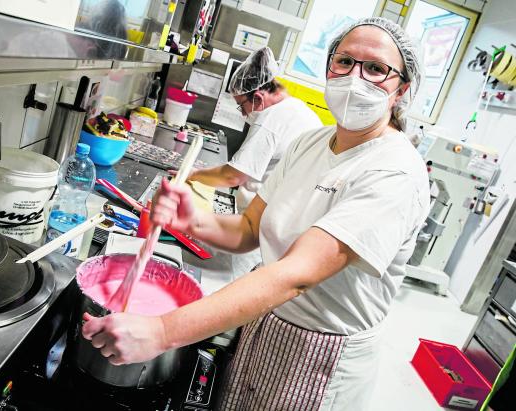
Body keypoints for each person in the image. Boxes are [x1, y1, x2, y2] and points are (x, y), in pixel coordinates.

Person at [82, 17, 430, 410]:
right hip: (264, 324)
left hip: (320, 355)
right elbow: (250, 228)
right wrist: (190, 220)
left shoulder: (395, 170)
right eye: (345, 61)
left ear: (400, 89)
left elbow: (295, 275)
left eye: (377, 69)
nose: (355, 78)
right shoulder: (309, 143)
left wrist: (162, 330)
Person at [184, 47, 322, 213]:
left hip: (264, 218)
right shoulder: (299, 109)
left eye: (241, 106)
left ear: (257, 97)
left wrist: (192, 174)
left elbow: (233, 176)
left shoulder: (271, 118)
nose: (243, 113)